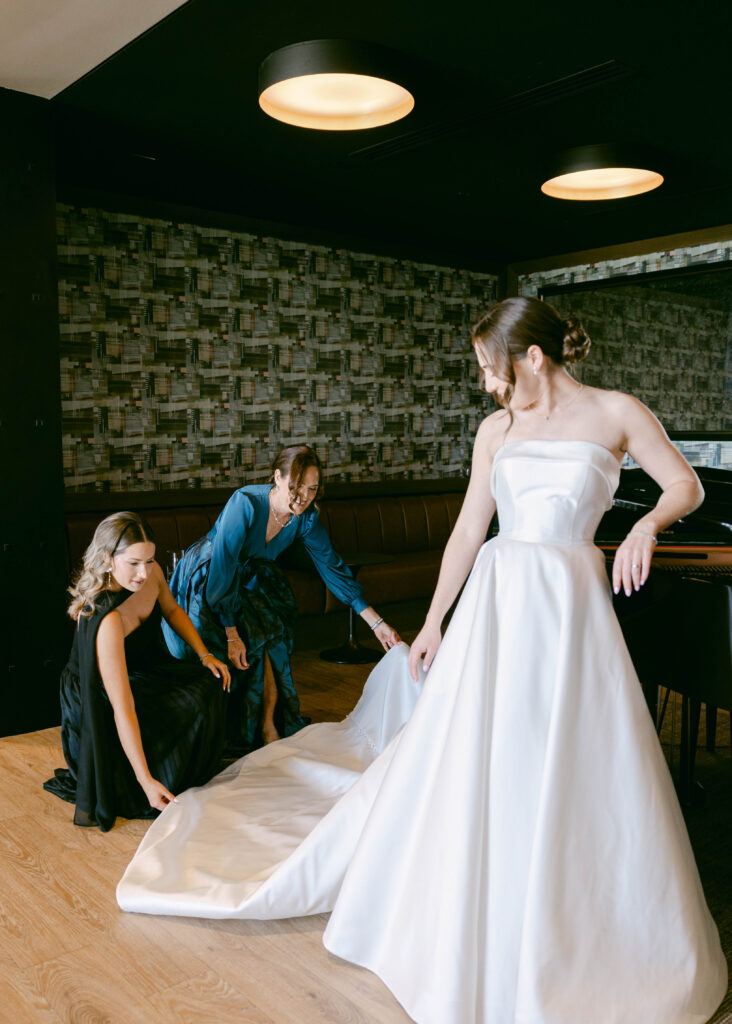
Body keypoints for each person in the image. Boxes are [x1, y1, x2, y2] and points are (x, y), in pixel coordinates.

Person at [118, 298, 726, 1024]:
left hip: (572, 605)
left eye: (490, 369)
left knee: (579, 754)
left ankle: (576, 924)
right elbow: (471, 526)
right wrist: (434, 620)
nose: (487, 385)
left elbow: (683, 486)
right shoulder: (495, 431)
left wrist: (648, 529)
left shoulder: (616, 412)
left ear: (532, 357)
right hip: (499, 604)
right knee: (479, 752)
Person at [163, 444, 401, 751]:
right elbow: (224, 568)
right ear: (277, 477)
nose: (303, 498)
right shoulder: (245, 503)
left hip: (250, 576)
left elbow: (331, 566)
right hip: (209, 577)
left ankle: (268, 727)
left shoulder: (306, 517)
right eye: (295, 488)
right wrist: (232, 632)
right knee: (217, 645)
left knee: (271, 639)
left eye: (312, 489)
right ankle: (212, 734)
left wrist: (376, 622)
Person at [44, 512, 231, 831]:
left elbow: (172, 609)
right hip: (100, 696)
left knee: (209, 682)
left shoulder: (152, 572)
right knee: (172, 710)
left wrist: (204, 655)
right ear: (107, 559)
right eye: (133, 563)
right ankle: (154, 776)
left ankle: (179, 770)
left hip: (142, 669)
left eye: (149, 560)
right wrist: (145, 781)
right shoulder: (107, 619)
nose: (144, 572)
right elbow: (122, 707)